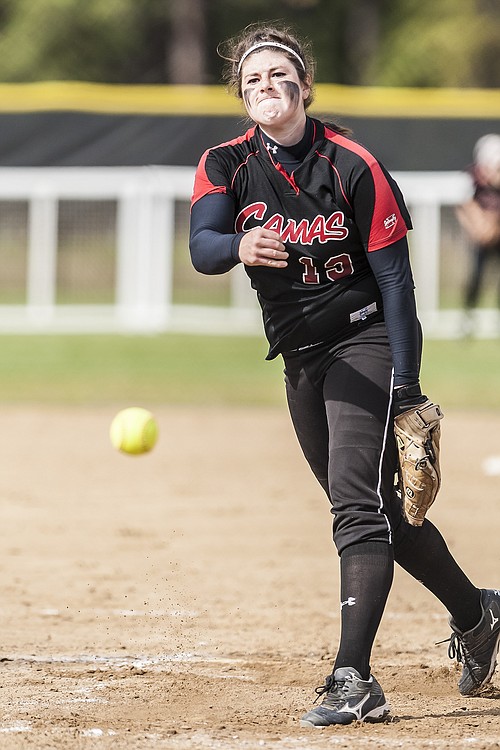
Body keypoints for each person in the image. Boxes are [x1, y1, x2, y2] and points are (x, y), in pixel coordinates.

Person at [189, 23, 500, 727]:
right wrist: (239, 242)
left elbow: (397, 285)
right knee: (385, 511)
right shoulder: (226, 164)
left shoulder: (353, 163)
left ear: (306, 87)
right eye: (253, 80)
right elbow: (203, 249)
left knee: (354, 507)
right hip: (301, 356)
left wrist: (409, 388)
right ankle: (478, 615)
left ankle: (354, 679)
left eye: (279, 75)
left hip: (368, 340)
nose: (267, 87)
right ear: (242, 97)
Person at [456, 134, 500, 336]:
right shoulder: (474, 180)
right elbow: (465, 206)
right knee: (476, 277)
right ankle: (467, 319)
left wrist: (492, 226)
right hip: (480, 237)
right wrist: (478, 229)